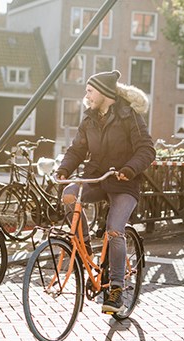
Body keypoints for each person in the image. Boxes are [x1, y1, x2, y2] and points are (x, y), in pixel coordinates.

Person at [55, 70, 155, 313]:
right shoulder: (89, 119)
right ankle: (86, 248)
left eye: (90, 91)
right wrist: (64, 169)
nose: (86, 95)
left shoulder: (129, 116)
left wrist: (130, 169)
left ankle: (116, 289)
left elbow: (147, 150)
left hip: (124, 182)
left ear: (104, 93)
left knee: (114, 230)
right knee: (68, 194)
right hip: (97, 178)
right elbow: (77, 149)